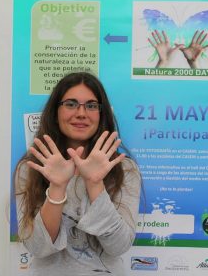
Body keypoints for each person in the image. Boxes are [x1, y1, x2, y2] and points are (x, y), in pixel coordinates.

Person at [15, 72, 141, 276]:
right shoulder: (31, 168)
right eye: (71, 104)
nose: (81, 113)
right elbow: (37, 248)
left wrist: (95, 183)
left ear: (101, 114)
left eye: (91, 105)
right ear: (56, 111)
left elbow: (118, 247)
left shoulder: (123, 168)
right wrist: (57, 187)